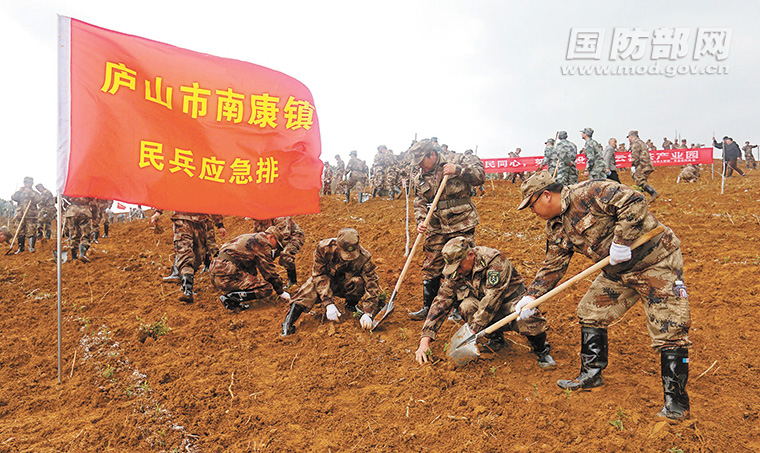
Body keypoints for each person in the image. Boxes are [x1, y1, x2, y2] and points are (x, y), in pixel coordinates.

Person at [515, 171, 691, 420]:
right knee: (590, 311)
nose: (532, 212)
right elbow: (553, 265)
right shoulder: (556, 227)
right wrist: (531, 297)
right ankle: (591, 375)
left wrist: (621, 240)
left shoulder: (589, 193)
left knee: (670, 328)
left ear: (546, 195)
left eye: (532, 205)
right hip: (618, 272)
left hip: (656, 262)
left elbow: (635, 200)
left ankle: (676, 403)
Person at [414, 236, 555, 368]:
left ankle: (541, 349)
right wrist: (425, 339)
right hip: (485, 309)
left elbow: (492, 300)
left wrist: (472, 331)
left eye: (459, 266)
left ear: (470, 255)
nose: (458, 271)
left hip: (511, 305)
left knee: (528, 315)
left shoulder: (494, 261)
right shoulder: (457, 272)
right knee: (467, 306)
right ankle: (496, 340)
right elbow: (441, 300)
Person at [407, 138, 486, 322]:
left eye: (422, 161)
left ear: (432, 154)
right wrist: (421, 220)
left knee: (461, 263)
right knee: (431, 264)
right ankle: (429, 307)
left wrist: (458, 170)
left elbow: (480, 176)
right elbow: (419, 201)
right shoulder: (421, 177)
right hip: (435, 224)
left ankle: (460, 307)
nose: (420, 166)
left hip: (460, 222)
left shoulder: (457, 159)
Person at [281, 228, 380, 336]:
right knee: (310, 286)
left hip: (345, 284)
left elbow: (372, 284)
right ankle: (288, 323)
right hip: (326, 283)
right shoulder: (324, 248)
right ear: (338, 245)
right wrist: (328, 303)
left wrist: (368, 313)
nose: (349, 257)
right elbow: (319, 275)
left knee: (358, 282)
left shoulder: (364, 258)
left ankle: (351, 305)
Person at [151, 210, 226, 303]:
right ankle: (187, 290)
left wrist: (219, 224)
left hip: (198, 222)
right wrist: (158, 212)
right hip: (186, 220)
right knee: (185, 254)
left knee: (197, 257)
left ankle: (187, 287)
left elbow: (211, 203)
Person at [210, 230, 290, 312]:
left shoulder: (251, 237)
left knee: (252, 273)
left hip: (216, 271)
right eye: (276, 245)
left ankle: (232, 290)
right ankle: (231, 298)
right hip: (226, 275)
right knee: (266, 288)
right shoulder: (263, 243)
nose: (274, 248)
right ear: (271, 237)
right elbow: (268, 271)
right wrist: (280, 291)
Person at [251, 216, 305, 288]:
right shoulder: (257, 223)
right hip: (274, 241)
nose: (254, 220)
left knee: (286, 255)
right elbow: (258, 238)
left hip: (293, 237)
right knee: (264, 257)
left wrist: (273, 250)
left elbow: (285, 237)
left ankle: (293, 281)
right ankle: (274, 280)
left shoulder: (279, 218)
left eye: (255, 218)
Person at [10, 177, 40, 254]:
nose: (28, 184)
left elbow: (38, 200)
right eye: (26, 182)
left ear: (32, 183)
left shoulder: (34, 193)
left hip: (31, 215)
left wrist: (30, 193)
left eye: (29, 183)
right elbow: (13, 198)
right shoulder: (20, 192)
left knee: (31, 230)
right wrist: (18, 192)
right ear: (24, 183)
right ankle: (21, 248)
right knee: (20, 231)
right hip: (20, 215)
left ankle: (31, 247)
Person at [628, 130, 658, 202]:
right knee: (640, 183)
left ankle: (653, 192)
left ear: (631, 137)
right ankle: (640, 198)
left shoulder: (635, 144)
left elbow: (635, 156)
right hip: (647, 164)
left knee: (640, 181)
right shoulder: (642, 142)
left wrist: (633, 165)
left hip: (641, 165)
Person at [62, 196, 93, 262]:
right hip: (84, 211)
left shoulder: (71, 190)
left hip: (72, 212)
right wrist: (95, 216)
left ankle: (74, 257)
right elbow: (94, 203)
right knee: (85, 234)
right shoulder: (88, 190)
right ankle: (82, 254)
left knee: (74, 234)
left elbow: (63, 198)